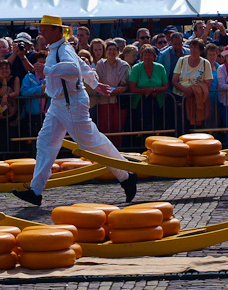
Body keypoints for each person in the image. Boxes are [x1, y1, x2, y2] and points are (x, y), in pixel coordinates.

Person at [12, 15, 137, 207]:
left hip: (70, 103)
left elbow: (73, 69)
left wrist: (47, 69)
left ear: (56, 30)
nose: (41, 32)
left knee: (91, 143)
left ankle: (126, 175)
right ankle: (35, 191)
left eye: (45, 29)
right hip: (60, 103)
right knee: (45, 142)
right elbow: (82, 67)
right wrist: (95, 84)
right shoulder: (60, 48)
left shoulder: (62, 49)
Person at [95, 41, 130, 147]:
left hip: (119, 102)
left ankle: (118, 151)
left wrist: (120, 89)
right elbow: (99, 81)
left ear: (118, 52)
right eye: (109, 49)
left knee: (118, 127)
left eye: (114, 49)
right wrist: (112, 90)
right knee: (105, 128)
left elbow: (125, 83)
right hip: (103, 100)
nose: (112, 52)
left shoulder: (124, 65)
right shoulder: (100, 64)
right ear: (106, 51)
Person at [172, 38, 213, 128]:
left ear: (201, 50)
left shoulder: (206, 64)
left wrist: (193, 91)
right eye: (191, 47)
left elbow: (207, 84)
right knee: (182, 126)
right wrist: (186, 91)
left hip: (197, 99)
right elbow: (174, 80)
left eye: (196, 48)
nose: (193, 50)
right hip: (181, 98)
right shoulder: (182, 61)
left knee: (197, 127)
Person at [128, 44, 168, 133]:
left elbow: (165, 86)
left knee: (157, 125)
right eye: (145, 55)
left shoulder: (160, 68)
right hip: (140, 103)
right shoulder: (136, 68)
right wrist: (145, 91)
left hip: (157, 102)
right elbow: (132, 88)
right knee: (140, 126)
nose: (147, 57)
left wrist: (153, 89)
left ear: (154, 57)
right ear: (141, 56)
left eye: (150, 55)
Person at [19, 51, 49, 137]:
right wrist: (40, 89)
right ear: (35, 63)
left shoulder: (52, 77)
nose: (42, 65)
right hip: (33, 114)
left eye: (44, 63)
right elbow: (24, 91)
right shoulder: (28, 77)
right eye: (40, 62)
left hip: (49, 114)